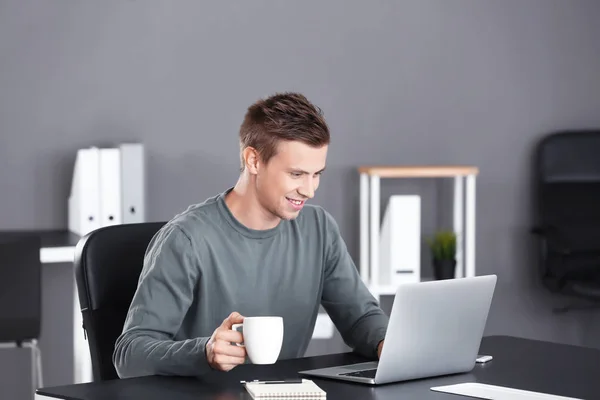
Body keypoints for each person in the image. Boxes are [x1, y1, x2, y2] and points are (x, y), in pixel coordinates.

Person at [112, 92, 389, 378]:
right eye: (296, 174)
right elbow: (129, 356)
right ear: (254, 161)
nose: (309, 190)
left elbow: (360, 318)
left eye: (316, 173)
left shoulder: (319, 229)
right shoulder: (186, 239)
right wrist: (205, 351)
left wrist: (386, 343)